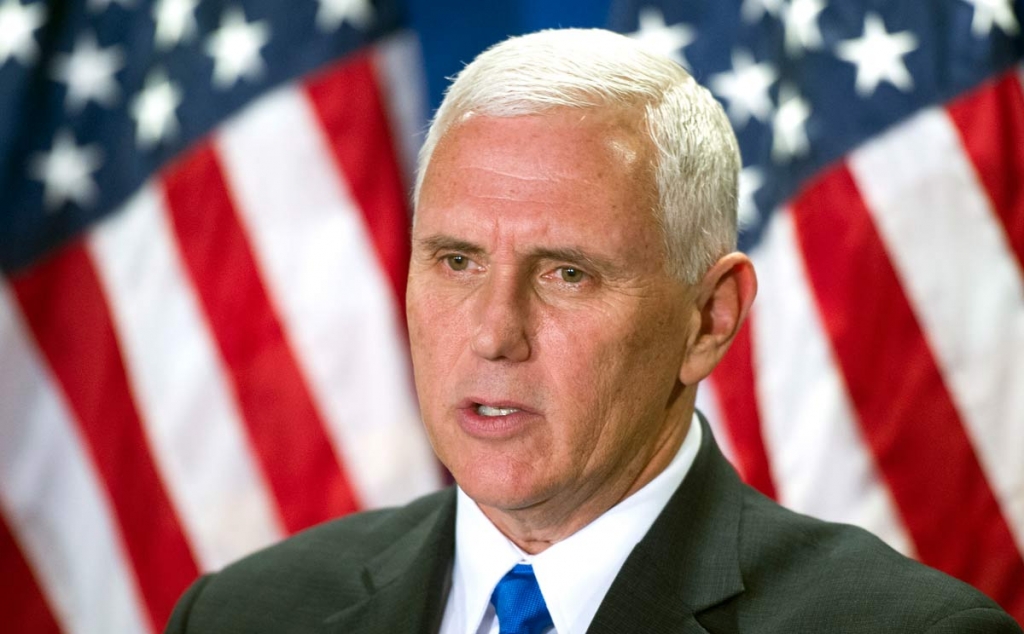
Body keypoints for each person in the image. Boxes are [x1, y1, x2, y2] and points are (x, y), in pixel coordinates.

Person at [165, 28, 1021, 634]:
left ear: (709, 319)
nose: (495, 334)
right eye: (457, 261)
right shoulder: (245, 614)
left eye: (567, 273)